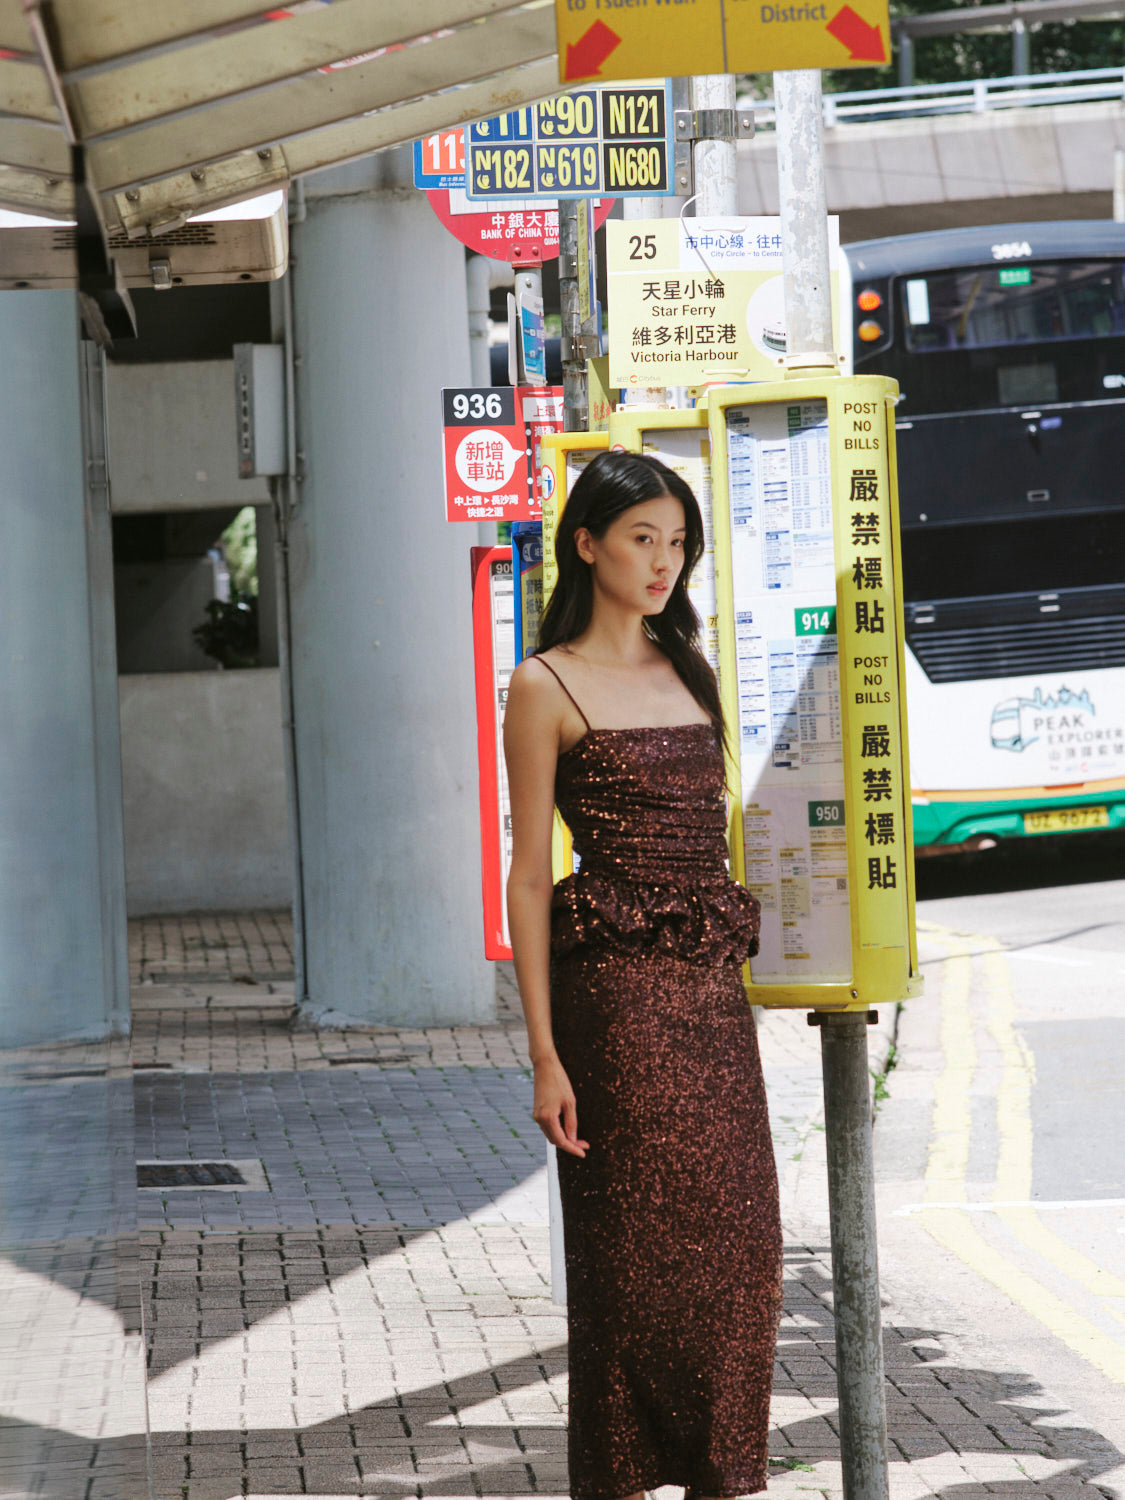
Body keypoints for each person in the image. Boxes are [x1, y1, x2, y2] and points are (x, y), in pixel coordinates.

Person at [502, 450, 783, 1500]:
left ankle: (721, 1475)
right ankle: (623, 1478)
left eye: (677, 543)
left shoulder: (689, 668)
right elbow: (531, 877)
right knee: (630, 1267)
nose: (664, 562)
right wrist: (544, 1055)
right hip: (615, 1009)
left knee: (744, 1246)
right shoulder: (544, 683)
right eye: (641, 539)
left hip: (711, 1003)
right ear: (587, 544)